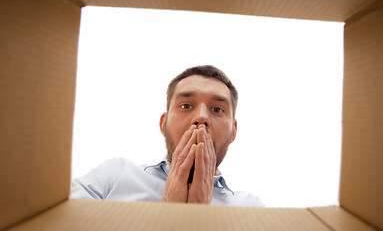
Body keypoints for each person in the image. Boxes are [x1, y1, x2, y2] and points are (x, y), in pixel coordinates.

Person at [70, 65, 264, 207]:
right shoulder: (114, 177)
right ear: (164, 124)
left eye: (217, 109)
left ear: (233, 132)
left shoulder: (250, 208)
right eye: (186, 106)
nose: (202, 117)